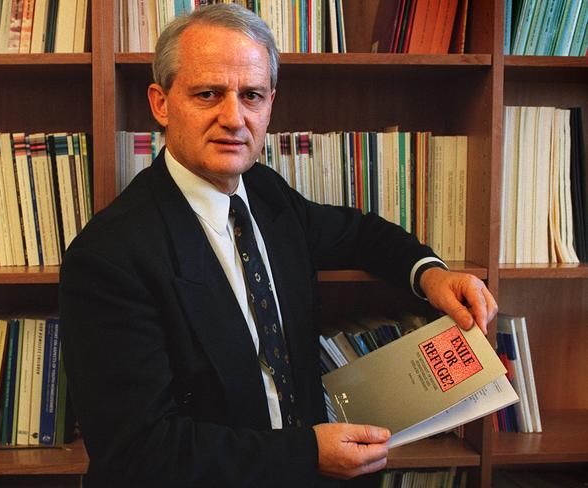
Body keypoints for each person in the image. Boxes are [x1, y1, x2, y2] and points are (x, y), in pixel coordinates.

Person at [59, 4, 498, 487]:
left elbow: (358, 234)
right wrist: (306, 454)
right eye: (208, 94)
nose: (234, 117)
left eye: (252, 95)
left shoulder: (265, 193)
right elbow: (140, 452)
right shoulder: (107, 257)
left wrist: (432, 275)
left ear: (271, 103)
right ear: (161, 103)